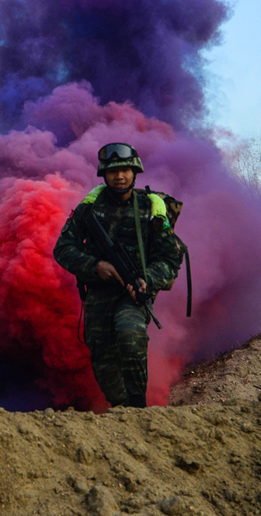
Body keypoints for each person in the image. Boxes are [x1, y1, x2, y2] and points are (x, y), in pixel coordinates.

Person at [53, 143, 182, 408]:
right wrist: (95, 266)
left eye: (124, 170)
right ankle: (122, 409)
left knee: (130, 336)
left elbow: (171, 257)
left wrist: (148, 280)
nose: (119, 176)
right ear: (104, 174)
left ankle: (137, 408)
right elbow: (63, 249)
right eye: (113, 171)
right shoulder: (89, 209)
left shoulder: (150, 208)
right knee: (102, 357)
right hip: (99, 293)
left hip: (134, 291)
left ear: (135, 172)